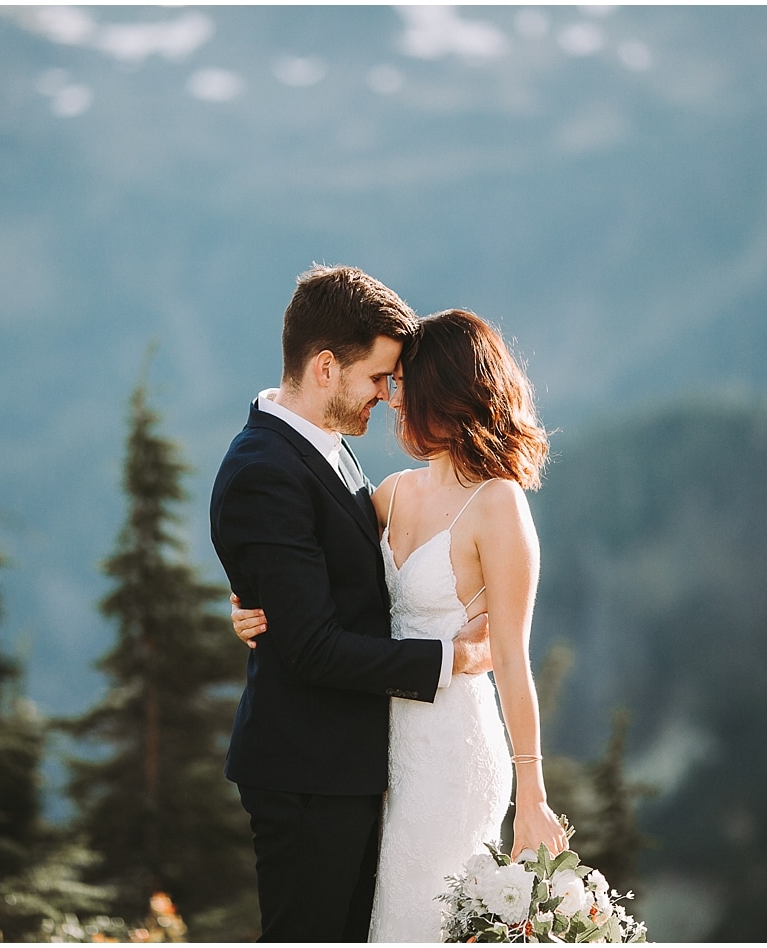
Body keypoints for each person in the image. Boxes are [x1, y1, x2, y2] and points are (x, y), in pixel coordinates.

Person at [230, 307, 568, 941]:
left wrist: (534, 792)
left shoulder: (499, 505)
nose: (391, 400)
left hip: (452, 749)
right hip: (379, 749)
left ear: (445, 391)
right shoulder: (389, 492)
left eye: (403, 385)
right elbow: (316, 573)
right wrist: (252, 604)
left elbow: (513, 661)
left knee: (421, 919)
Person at [208, 266, 494, 941]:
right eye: (378, 379)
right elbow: (309, 647)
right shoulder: (264, 471)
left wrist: (258, 601)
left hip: (349, 763)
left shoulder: (325, 447)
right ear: (326, 368)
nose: (388, 396)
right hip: (309, 773)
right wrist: (447, 659)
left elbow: (324, 585)